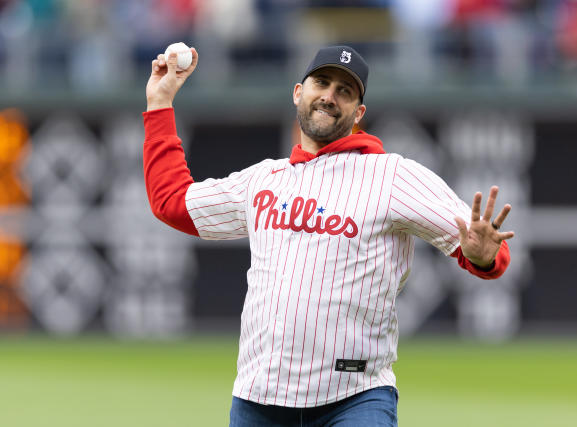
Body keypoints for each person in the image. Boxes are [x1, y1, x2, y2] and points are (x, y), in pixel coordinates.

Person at [143, 45, 514, 426]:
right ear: (297, 92)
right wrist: (160, 102)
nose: (330, 96)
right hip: (259, 398)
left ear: (359, 113)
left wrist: (485, 255)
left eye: (346, 91)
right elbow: (172, 202)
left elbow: (487, 253)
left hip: (354, 397)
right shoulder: (262, 179)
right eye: (322, 82)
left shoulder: (392, 177)